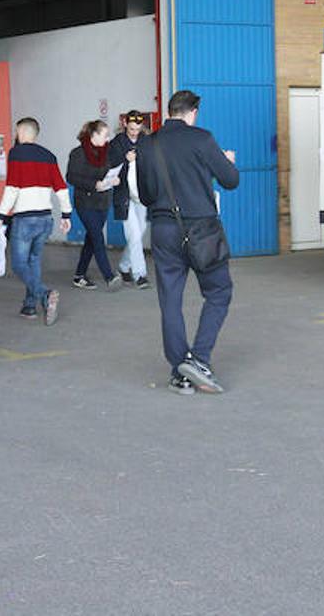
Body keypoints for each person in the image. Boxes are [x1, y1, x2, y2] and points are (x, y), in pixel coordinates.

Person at [137, 90, 239, 395]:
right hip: (201, 231)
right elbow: (231, 180)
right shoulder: (202, 138)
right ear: (192, 112)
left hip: (164, 231)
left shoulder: (148, 144)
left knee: (170, 300)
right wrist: (226, 161)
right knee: (219, 291)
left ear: (170, 112)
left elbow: (145, 196)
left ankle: (179, 372)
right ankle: (199, 360)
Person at [0, 118, 72, 326]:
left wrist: (0, 215)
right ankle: (29, 306)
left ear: (20, 132)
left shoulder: (16, 153)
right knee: (34, 261)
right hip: (45, 218)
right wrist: (66, 215)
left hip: (25, 219)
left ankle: (44, 294)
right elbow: (61, 188)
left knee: (19, 265)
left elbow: (12, 188)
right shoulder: (49, 156)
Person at [66, 120, 123, 291]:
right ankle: (109, 276)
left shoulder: (106, 153)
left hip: (103, 201)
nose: (107, 139)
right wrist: (94, 184)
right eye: (105, 135)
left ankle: (79, 275)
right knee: (98, 237)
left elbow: (109, 171)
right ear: (94, 135)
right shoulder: (77, 153)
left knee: (91, 239)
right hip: (85, 202)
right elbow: (72, 177)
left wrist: (114, 179)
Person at [108, 109, 151, 289]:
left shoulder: (146, 142)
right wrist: (126, 160)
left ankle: (124, 267)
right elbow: (111, 166)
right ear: (125, 124)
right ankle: (140, 275)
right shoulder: (116, 143)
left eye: (137, 129)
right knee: (133, 234)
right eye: (131, 128)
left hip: (141, 195)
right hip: (124, 196)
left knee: (138, 234)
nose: (134, 132)